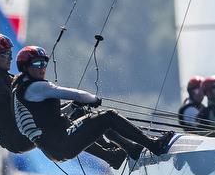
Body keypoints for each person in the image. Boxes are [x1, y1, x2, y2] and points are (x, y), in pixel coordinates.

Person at [12, 45, 173, 167]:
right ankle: (154, 146)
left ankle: (120, 154)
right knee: (108, 116)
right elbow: (77, 95)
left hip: (54, 148)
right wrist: (93, 99)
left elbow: (48, 118)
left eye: (44, 63)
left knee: (87, 117)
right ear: (25, 67)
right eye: (38, 64)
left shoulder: (21, 88)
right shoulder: (37, 87)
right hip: (60, 144)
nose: (42, 68)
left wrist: (73, 107)